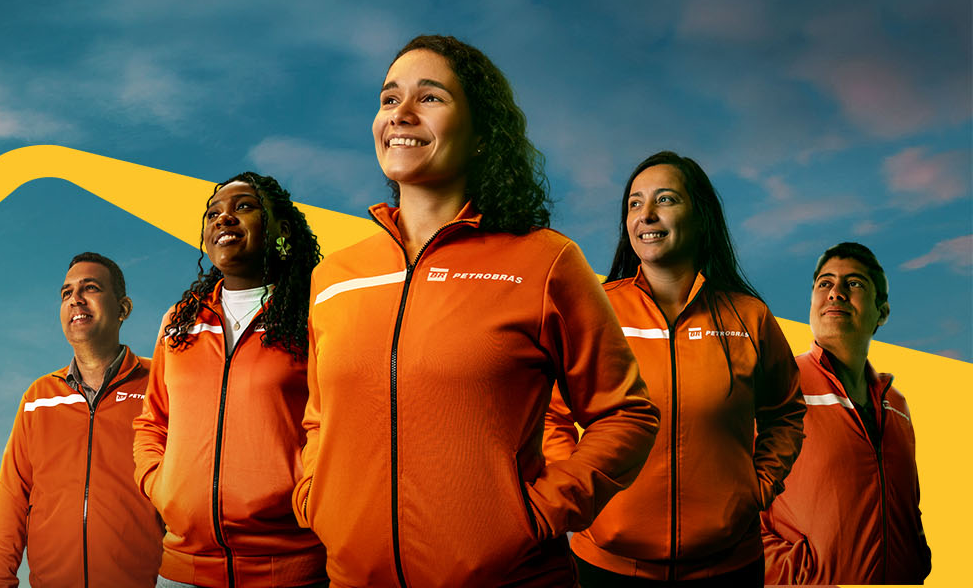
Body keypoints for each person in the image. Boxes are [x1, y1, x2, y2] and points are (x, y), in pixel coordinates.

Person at [295, 34, 660, 587]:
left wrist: (539, 513)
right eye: (390, 99)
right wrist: (313, 498)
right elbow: (320, 419)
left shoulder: (545, 261)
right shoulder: (335, 278)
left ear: (484, 134)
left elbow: (626, 413)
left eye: (431, 98)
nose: (403, 115)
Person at [544, 151, 806, 585]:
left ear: (701, 216)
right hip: (606, 566)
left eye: (665, 200)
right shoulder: (595, 309)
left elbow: (785, 412)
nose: (645, 215)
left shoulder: (750, 317)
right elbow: (550, 415)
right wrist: (578, 492)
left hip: (729, 566)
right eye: (634, 203)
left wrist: (757, 488)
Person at [132, 172, 326, 588]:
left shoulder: (314, 315)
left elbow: (334, 424)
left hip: (289, 568)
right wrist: (160, 485)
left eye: (244, 207)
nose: (225, 219)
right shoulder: (179, 320)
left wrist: (305, 496)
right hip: (184, 570)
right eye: (213, 213)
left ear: (282, 231)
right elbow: (153, 421)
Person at [0, 252, 162, 588]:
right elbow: (12, 496)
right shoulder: (38, 398)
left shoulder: (161, 382)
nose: (75, 300)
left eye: (90, 288)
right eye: (66, 293)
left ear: (123, 309)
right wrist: (0, 581)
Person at [761, 242, 932, 584]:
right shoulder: (774, 386)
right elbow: (721, 510)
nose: (835, 292)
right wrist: (801, 577)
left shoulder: (896, 405)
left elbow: (906, 508)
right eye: (824, 283)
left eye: (854, 284)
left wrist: (916, 561)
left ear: (881, 312)